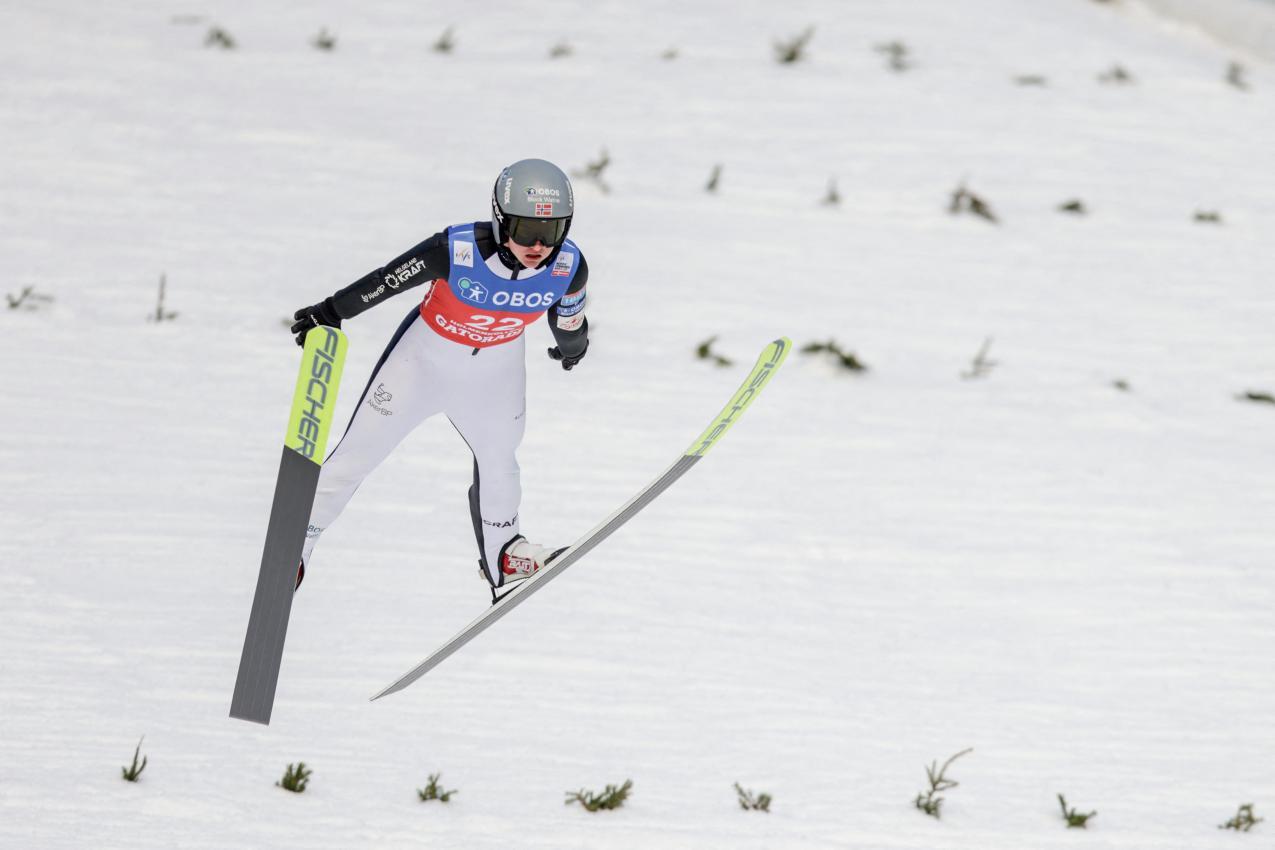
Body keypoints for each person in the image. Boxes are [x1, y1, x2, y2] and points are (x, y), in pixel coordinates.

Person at [289, 158, 589, 596]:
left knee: (500, 461)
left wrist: (572, 350)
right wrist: (331, 312)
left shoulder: (569, 267)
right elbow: (387, 281)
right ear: (501, 219)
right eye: (526, 230)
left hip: (496, 374)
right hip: (423, 364)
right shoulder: (456, 249)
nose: (539, 244)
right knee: (355, 458)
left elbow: (570, 321)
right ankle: (297, 544)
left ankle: (504, 555)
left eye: (554, 231)